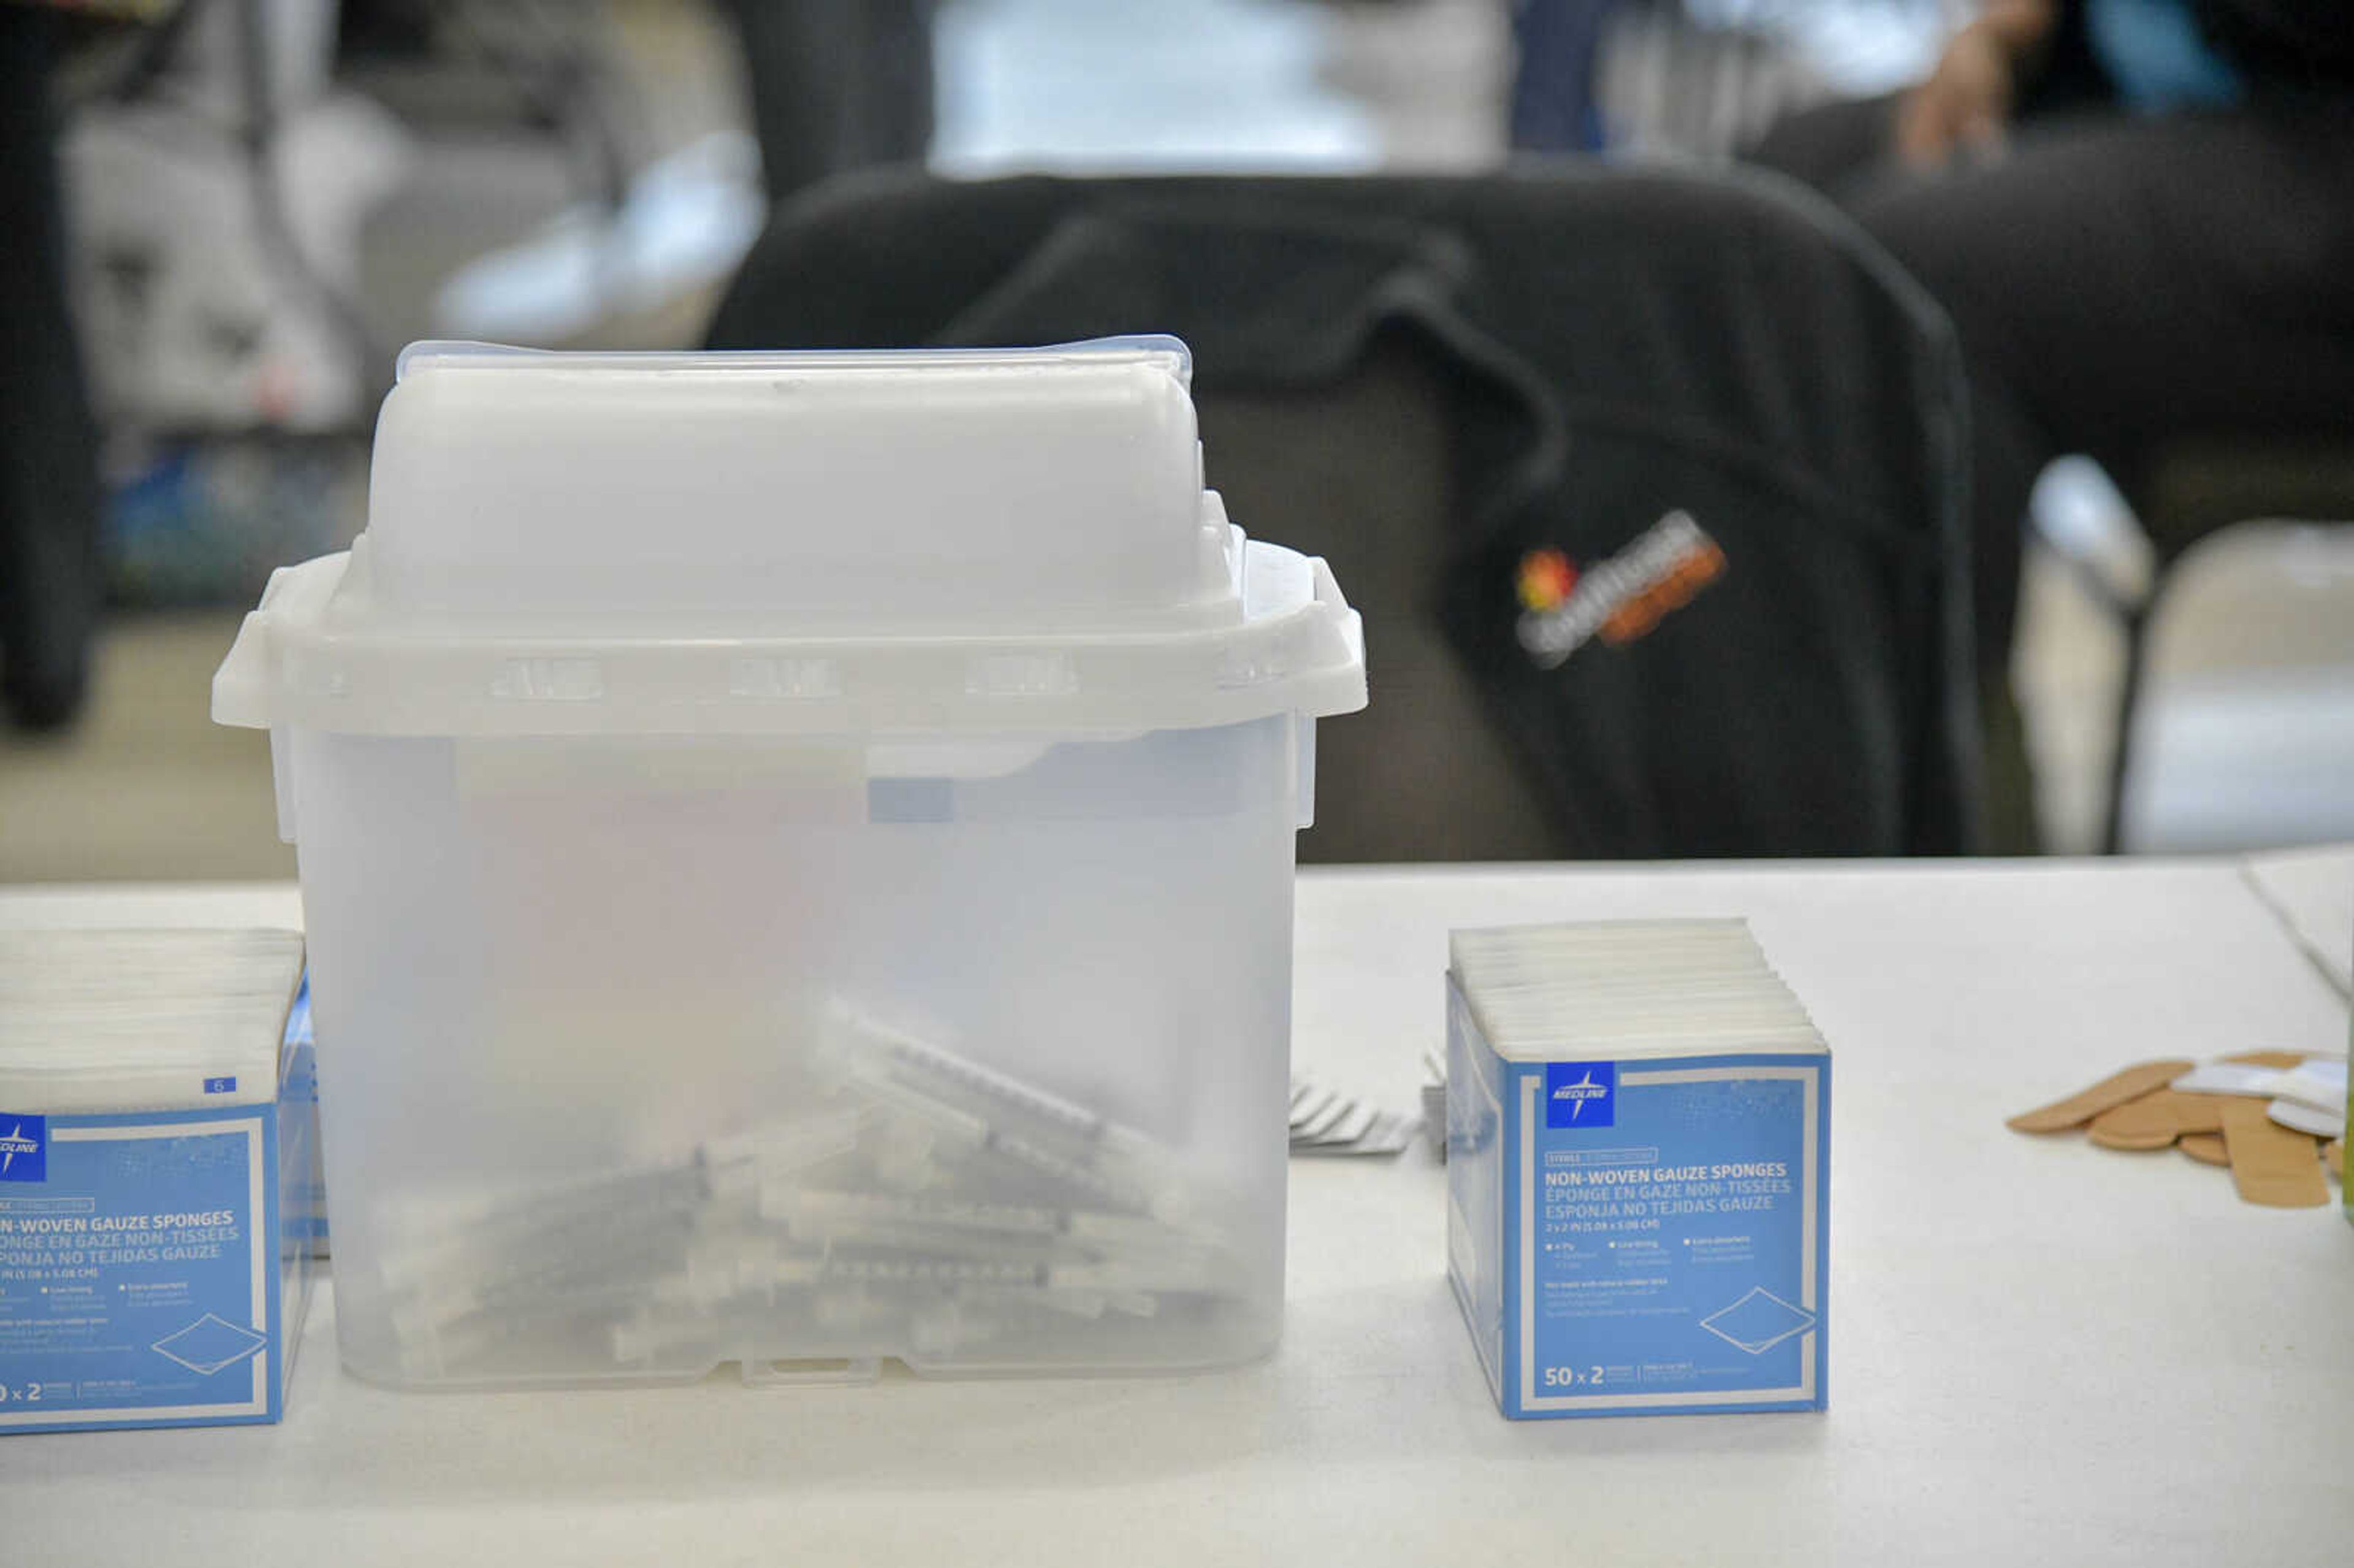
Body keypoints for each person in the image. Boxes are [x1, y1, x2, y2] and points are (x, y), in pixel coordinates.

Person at [1746, 1, 2354, 848]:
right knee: (1765, 201)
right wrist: (2002, 32)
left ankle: (1957, 837)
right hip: (2144, 92)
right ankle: (1749, 754)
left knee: (1918, 286)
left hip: (2316, 146)